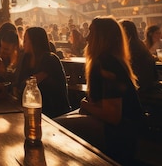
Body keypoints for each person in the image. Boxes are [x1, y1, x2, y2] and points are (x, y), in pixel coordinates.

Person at [54, 16, 142, 164]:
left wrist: (85, 105)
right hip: (121, 129)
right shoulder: (110, 60)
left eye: (91, 32)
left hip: (120, 133)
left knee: (55, 130)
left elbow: (113, 116)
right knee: (53, 124)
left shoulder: (107, 63)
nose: (87, 38)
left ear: (102, 38)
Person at [15, 27, 71, 118]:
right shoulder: (26, 58)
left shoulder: (50, 59)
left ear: (34, 42)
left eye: (25, 41)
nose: (23, 43)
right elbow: (18, 84)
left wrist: (21, 86)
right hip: (33, 107)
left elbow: (30, 85)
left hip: (53, 111)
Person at [119, 20, 157, 93]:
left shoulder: (130, 47)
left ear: (124, 31)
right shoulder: (139, 44)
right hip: (149, 84)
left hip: (140, 88)